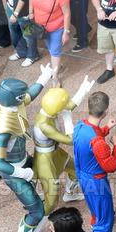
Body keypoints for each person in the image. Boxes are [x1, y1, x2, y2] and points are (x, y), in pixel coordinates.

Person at [72, 91, 116, 232]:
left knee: (96, 210)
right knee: (105, 221)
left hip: (82, 175)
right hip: (96, 182)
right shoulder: (98, 141)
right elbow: (111, 166)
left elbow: (92, 137)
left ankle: (96, 221)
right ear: (106, 111)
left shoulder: (80, 125)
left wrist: (107, 128)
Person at [32, 81, 89, 215]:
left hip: (55, 152)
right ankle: (34, 223)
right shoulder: (44, 125)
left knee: (76, 171)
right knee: (51, 202)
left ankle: (69, 194)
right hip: (45, 160)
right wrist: (68, 120)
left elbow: (67, 107)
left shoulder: (48, 110)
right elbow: (71, 141)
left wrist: (82, 91)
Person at [28, 0, 71, 84]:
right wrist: (31, 12)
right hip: (41, 27)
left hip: (57, 27)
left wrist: (66, 32)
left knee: (55, 51)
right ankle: (58, 65)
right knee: (52, 49)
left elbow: (67, 13)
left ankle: (55, 76)